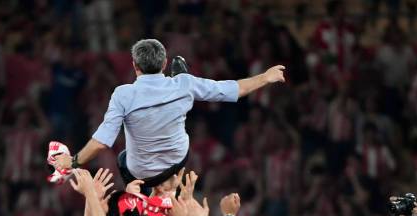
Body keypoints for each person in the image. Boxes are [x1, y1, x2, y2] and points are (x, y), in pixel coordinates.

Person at [53, 39, 286, 187]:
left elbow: (102, 142)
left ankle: (138, 196)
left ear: (134, 66)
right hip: (177, 161)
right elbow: (233, 89)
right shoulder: (184, 84)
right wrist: (265, 77)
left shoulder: (123, 94)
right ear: (164, 63)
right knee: (185, 84)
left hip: (141, 172)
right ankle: (179, 77)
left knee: (122, 158)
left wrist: (72, 161)